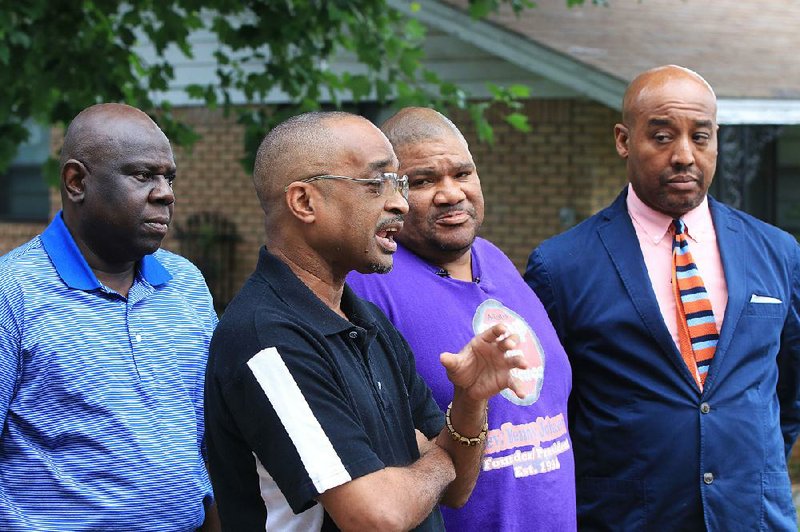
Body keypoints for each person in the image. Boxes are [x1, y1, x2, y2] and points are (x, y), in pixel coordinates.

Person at [204, 111, 530, 531]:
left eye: (398, 184)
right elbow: (376, 517)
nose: (399, 202)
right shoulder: (267, 340)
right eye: (376, 184)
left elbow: (457, 489)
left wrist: (469, 400)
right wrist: (440, 459)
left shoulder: (364, 319)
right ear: (304, 202)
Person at [525, 65, 800, 530]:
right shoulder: (562, 266)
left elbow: (789, 388)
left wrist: (750, 461)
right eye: (662, 136)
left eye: (701, 137)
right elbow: (547, 410)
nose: (685, 156)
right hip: (627, 518)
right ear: (623, 140)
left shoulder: (777, 250)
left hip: (753, 517)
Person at [347, 107, 576, 531]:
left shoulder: (497, 261)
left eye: (462, 174)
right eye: (423, 181)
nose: (451, 193)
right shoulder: (368, 285)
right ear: (389, 191)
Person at [0, 103, 219, 531]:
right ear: (76, 182)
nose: (166, 193)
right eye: (142, 176)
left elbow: (206, 439)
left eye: (168, 177)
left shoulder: (186, 285)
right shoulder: (13, 293)